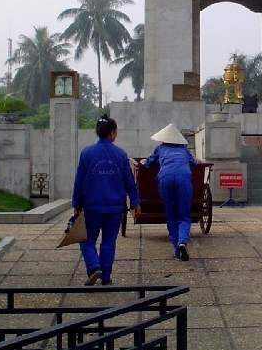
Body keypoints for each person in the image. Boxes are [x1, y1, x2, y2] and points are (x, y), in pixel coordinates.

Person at [72, 116, 140, 286]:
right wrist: (135, 202)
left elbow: (79, 180)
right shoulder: (120, 154)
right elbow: (129, 181)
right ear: (112, 133)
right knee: (109, 241)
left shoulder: (87, 153)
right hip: (115, 208)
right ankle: (106, 276)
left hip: (92, 206)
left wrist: (76, 203)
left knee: (86, 239)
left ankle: (94, 267)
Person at [145, 123, 197, 261]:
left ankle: (176, 250)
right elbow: (194, 163)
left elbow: (148, 163)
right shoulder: (184, 150)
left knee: (171, 215)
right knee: (184, 216)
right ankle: (182, 241)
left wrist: (146, 162)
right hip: (184, 179)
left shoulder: (160, 148)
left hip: (165, 178)